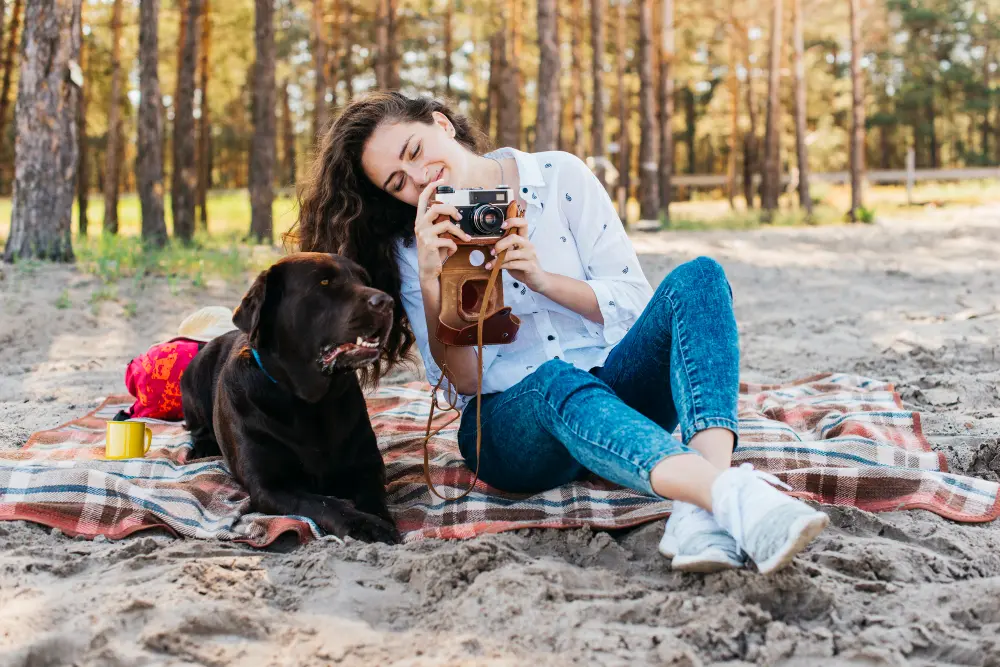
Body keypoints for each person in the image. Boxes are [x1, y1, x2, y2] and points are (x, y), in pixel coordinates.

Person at [288, 91, 829, 574]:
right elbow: (468, 382)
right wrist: (435, 278)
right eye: (398, 183)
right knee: (554, 379)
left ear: (441, 124)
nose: (420, 178)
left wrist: (542, 280)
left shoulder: (559, 177)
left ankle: (704, 500)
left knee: (701, 278)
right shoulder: (415, 250)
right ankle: (732, 499)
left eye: (414, 151)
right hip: (511, 428)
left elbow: (636, 304)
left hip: (619, 391)